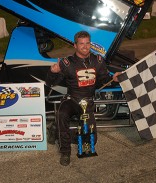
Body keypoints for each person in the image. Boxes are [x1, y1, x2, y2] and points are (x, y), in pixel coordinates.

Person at [45, 31, 121, 166]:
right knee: (62, 114)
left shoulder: (98, 61)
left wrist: (113, 79)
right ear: (75, 45)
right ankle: (65, 152)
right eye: (81, 44)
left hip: (88, 102)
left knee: (91, 141)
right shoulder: (67, 63)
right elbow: (51, 83)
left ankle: (57, 133)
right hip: (71, 100)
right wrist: (53, 72)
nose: (85, 47)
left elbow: (104, 80)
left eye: (87, 43)